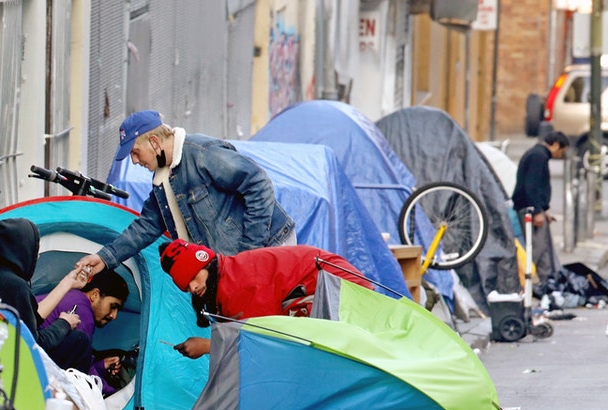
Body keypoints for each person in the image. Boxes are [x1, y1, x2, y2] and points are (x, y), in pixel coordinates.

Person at [75, 109, 296, 278]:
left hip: (269, 248)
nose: (134, 161)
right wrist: (105, 258)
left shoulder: (201, 154)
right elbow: (147, 226)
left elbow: (259, 184)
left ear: (154, 142)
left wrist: (250, 253)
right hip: (232, 266)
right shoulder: (163, 179)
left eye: (135, 152)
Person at [158, 239, 372, 359]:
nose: (193, 287)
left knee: (305, 352)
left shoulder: (237, 286)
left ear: (206, 264)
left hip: (340, 290)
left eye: (194, 278)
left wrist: (206, 346)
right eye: (186, 286)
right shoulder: (226, 275)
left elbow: (266, 338)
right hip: (331, 285)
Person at [0, 217, 81, 349]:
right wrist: (64, 324)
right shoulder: (15, 287)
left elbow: (28, 320)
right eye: (34, 249)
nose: (37, 256)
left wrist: (67, 282)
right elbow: (32, 345)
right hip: (5, 362)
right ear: (22, 250)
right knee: (79, 341)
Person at [38, 268, 129, 393]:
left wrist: (100, 366)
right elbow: (82, 376)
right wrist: (115, 394)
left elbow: (79, 362)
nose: (114, 316)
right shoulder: (82, 311)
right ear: (95, 295)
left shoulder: (73, 297)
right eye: (113, 307)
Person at [511, 130, 569, 281]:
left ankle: (547, 281)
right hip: (529, 209)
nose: (561, 155)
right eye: (561, 151)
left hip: (532, 207)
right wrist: (537, 211)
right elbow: (532, 186)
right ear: (555, 145)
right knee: (536, 248)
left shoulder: (538, 154)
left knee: (542, 247)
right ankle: (524, 279)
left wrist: (544, 210)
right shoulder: (538, 156)